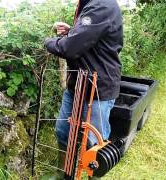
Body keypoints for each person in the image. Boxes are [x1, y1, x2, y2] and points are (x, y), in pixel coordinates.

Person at [44, 0, 123, 179]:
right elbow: (89, 36)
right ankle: (63, 173)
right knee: (63, 131)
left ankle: (92, 176)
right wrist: (72, 31)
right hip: (77, 85)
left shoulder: (102, 4)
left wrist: (49, 42)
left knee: (95, 143)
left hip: (99, 88)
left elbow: (70, 48)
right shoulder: (90, 3)